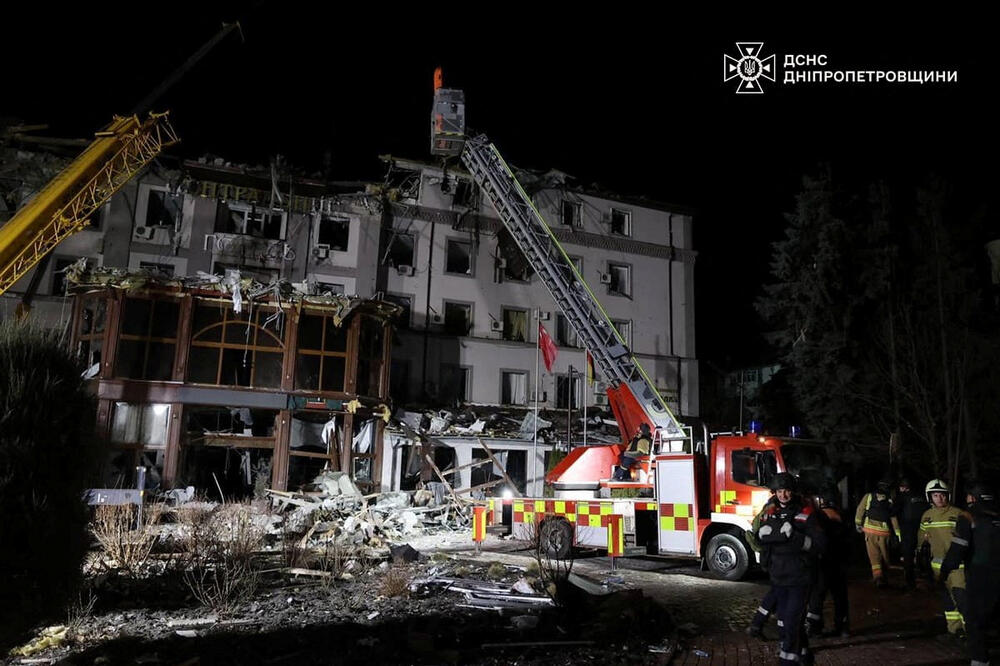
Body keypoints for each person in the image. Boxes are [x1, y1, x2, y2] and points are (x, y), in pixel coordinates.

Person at [755, 472, 826, 665]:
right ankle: (804, 656)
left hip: (800, 578)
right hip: (778, 577)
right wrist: (760, 538)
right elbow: (763, 542)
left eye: (786, 490)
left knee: (792, 623)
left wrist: (796, 537)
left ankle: (788, 661)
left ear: (792, 491)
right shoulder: (769, 511)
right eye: (779, 491)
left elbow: (820, 545)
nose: (783, 495)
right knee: (783, 622)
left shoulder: (806, 512)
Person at [940, 481, 1000, 666]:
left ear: (973, 498)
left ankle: (980, 660)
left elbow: (958, 548)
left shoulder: (967, 516)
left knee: (975, 623)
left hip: (980, 577)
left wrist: (945, 570)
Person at [920, 478, 970, 636]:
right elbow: (921, 539)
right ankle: (954, 629)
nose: (939, 499)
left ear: (947, 495)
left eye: (942, 495)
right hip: (937, 568)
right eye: (935, 495)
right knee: (947, 600)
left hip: (957, 567)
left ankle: (970, 631)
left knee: (962, 599)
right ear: (930, 497)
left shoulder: (958, 513)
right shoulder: (926, 516)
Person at [805, 486, 851, 637]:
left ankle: (814, 628)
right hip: (840, 562)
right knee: (840, 596)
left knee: (817, 596)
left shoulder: (816, 516)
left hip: (822, 563)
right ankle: (843, 627)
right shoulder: (843, 516)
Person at [745, 490, 780, 639]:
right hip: (775, 558)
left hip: (771, 557)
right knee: (779, 591)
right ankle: (757, 625)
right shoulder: (774, 510)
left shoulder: (770, 506)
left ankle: (757, 625)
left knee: (777, 592)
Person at [854, 480, 900, 587]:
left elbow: (860, 509)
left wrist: (858, 524)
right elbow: (893, 517)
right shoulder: (890, 500)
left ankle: (878, 577)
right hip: (884, 532)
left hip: (869, 531)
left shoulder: (868, 496)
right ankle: (885, 576)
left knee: (874, 555)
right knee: (885, 554)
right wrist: (898, 533)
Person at [894, 477, 929, 589]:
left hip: (908, 528)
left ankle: (910, 582)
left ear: (904, 487)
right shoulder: (922, 497)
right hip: (923, 528)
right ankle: (926, 576)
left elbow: (893, 511)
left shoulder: (902, 497)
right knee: (923, 552)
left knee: (908, 555)